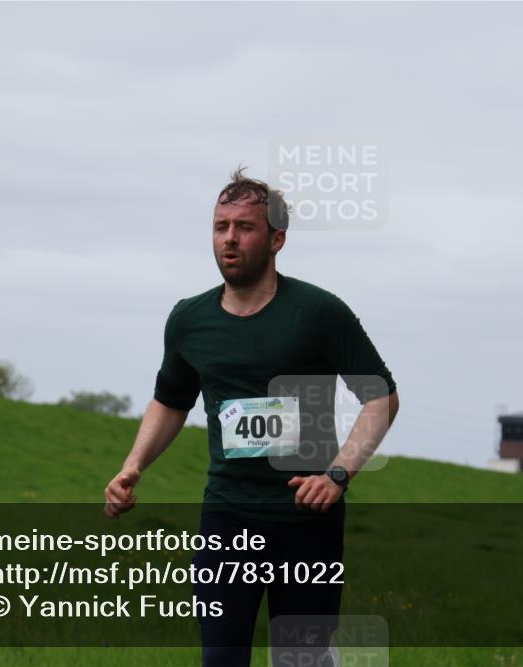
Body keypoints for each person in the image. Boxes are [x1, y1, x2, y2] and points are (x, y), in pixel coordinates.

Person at [103, 167, 400, 667]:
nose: (229, 239)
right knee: (220, 658)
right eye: (221, 227)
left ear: (277, 238)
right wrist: (133, 466)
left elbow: (381, 397)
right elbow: (171, 400)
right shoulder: (189, 319)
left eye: (245, 227)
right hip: (228, 516)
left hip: (308, 522)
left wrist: (338, 475)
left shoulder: (319, 313)